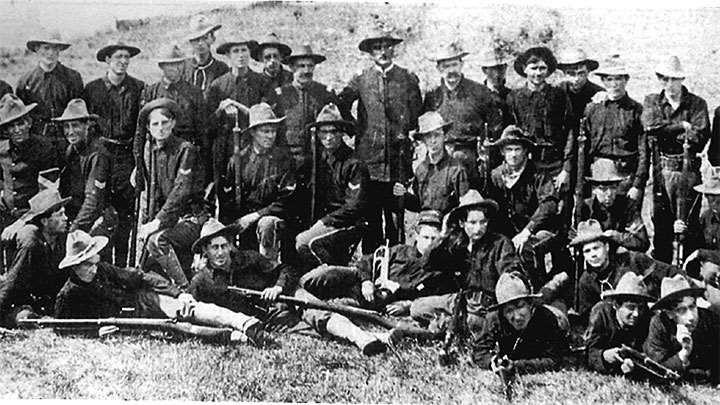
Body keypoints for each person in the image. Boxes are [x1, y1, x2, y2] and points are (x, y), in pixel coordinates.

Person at [190, 219, 398, 355]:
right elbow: (200, 313)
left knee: (319, 314)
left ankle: (360, 337)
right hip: (269, 318)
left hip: (290, 295)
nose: (220, 253)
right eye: (214, 248)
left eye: (223, 246)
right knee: (308, 332)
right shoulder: (201, 282)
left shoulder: (249, 258)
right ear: (205, 251)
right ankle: (376, 339)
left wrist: (278, 287)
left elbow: (286, 270)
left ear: (230, 246)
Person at [55, 229, 270, 345]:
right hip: (125, 322)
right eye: (87, 266)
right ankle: (236, 337)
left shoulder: (103, 269)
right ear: (74, 267)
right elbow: (63, 329)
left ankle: (243, 322)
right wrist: (95, 332)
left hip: (141, 302)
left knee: (188, 309)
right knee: (177, 329)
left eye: (94, 263)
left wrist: (178, 294)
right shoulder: (68, 295)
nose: (93, 269)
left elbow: (141, 277)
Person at [338, 31, 422, 250]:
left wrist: (405, 130)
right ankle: (370, 273)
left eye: (387, 47)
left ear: (393, 49)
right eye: (377, 48)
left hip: (398, 161)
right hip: (369, 161)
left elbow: (416, 111)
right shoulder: (361, 78)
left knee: (396, 218)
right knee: (371, 219)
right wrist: (357, 129)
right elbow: (343, 103)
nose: (383, 52)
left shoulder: (407, 77)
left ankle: (395, 268)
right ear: (370, 53)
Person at [410, 190, 523, 335]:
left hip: (486, 307)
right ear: (462, 223)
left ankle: (449, 325)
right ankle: (453, 323)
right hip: (460, 301)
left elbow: (510, 273)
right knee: (417, 307)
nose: (478, 228)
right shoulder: (457, 245)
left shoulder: (500, 243)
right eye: (473, 222)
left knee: (476, 322)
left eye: (483, 222)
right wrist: (443, 235)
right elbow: (427, 264)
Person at [641, 56, 710, 264]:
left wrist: (666, 132)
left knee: (688, 225)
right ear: (659, 80)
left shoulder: (697, 104)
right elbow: (650, 127)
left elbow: (699, 135)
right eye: (665, 79)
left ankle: (689, 275)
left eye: (674, 79)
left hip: (688, 170)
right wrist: (682, 126)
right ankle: (662, 275)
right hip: (662, 169)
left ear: (682, 79)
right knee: (662, 225)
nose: (670, 84)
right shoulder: (652, 101)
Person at [135, 98, 207, 289]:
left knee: (157, 240)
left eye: (165, 123)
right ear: (149, 128)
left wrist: (157, 222)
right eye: (155, 124)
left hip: (190, 219)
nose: (160, 128)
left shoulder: (186, 150)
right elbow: (153, 190)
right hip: (168, 220)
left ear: (173, 123)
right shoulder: (150, 151)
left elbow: (180, 191)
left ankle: (185, 289)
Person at [83, 42, 144, 266]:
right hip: (102, 154)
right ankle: (101, 264)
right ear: (107, 60)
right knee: (101, 210)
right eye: (118, 57)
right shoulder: (92, 89)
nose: (123, 61)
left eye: (127, 57)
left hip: (127, 156)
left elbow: (141, 127)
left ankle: (122, 265)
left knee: (126, 214)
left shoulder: (138, 88)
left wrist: (138, 162)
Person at [484, 125, 560, 290]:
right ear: (502, 151)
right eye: (509, 149)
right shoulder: (496, 175)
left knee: (526, 249)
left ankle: (536, 289)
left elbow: (549, 204)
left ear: (525, 150)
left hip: (538, 230)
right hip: (509, 230)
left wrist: (527, 231)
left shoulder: (538, 174)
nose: (513, 154)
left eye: (517, 149)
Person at [294, 104, 369, 270]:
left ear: (342, 133)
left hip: (348, 223)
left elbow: (354, 206)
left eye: (333, 132)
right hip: (322, 220)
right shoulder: (315, 160)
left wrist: (323, 222)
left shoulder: (353, 164)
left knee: (304, 242)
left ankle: (335, 275)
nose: (328, 137)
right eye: (323, 132)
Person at [221, 103, 295, 263]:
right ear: (253, 132)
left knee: (266, 224)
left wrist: (255, 216)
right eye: (265, 131)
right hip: (243, 222)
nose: (270, 136)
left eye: (273, 131)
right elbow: (228, 200)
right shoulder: (238, 160)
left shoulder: (283, 159)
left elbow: (286, 200)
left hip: (272, 221)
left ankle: (269, 269)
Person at [570, 219, 680, 318]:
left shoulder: (632, 260)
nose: (593, 255)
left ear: (607, 247)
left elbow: (670, 272)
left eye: (596, 248)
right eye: (587, 251)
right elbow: (589, 317)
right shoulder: (586, 281)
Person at [133, 44, 209, 187]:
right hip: (158, 153)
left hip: (185, 153)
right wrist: (139, 165)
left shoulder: (194, 93)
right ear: (162, 66)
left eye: (180, 63)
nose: (177, 68)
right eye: (171, 65)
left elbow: (202, 131)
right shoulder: (151, 92)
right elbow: (141, 130)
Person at [204, 37, 272, 189]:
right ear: (228, 55)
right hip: (224, 147)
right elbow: (207, 124)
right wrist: (221, 109)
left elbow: (264, 116)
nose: (241, 55)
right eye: (236, 51)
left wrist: (236, 105)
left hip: (252, 145)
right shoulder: (217, 85)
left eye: (244, 50)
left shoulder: (262, 83)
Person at [351, 209, 447, 315]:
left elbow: (434, 299)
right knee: (332, 274)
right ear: (416, 235)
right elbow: (366, 260)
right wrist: (366, 282)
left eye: (434, 238)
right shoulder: (400, 251)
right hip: (365, 284)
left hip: (379, 300)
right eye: (425, 237)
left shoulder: (439, 270)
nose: (429, 243)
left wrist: (407, 305)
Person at [472, 271, 570, 372]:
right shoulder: (495, 318)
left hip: (559, 316)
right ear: (502, 312)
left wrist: (517, 366)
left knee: (558, 301)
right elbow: (479, 351)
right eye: (509, 310)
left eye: (520, 306)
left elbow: (554, 360)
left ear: (530, 305)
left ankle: (561, 278)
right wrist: (492, 362)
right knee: (544, 295)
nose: (517, 317)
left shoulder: (547, 318)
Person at [422, 44, 490, 188]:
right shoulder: (433, 96)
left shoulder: (479, 92)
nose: (451, 70)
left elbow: (494, 124)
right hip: (440, 156)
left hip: (469, 157)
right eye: (446, 66)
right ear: (439, 69)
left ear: (462, 65)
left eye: (454, 65)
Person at [580, 56, 647, 202]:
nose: (614, 84)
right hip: (600, 172)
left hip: (627, 174)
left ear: (626, 80)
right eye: (609, 79)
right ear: (603, 82)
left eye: (618, 79)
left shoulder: (636, 110)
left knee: (627, 218)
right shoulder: (592, 109)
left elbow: (643, 150)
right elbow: (584, 146)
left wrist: (637, 184)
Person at [0, 189, 70, 327]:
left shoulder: (61, 237)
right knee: (26, 318)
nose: (66, 218)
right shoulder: (31, 242)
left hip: (45, 300)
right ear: (44, 220)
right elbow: (14, 282)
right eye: (60, 214)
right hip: (21, 300)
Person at [0, 94, 60, 240]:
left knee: (28, 238)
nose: (17, 130)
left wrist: (20, 222)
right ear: (6, 130)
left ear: (29, 123)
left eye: (20, 123)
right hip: (5, 215)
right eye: (11, 126)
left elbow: (47, 194)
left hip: (33, 218)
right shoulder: (2, 150)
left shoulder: (44, 149)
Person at [643, 274, 719, 384]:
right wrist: (683, 354)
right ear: (669, 313)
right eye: (682, 310)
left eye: (692, 307)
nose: (691, 317)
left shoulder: (711, 321)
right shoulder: (659, 325)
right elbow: (656, 369)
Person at [52, 99, 112, 237]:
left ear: (87, 125)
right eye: (66, 126)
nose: (70, 131)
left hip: (97, 218)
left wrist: (74, 229)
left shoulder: (97, 154)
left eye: (75, 126)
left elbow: (93, 201)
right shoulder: (71, 150)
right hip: (77, 214)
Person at [16, 34, 83, 158]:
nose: (51, 53)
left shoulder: (73, 78)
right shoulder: (26, 81)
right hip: (38, 140)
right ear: (37, 49)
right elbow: (21, 118)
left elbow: (79, 113)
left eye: (55, 48)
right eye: (46, 48)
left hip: (66, 138)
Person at [392, 111, 469, 217]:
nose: (433, 141)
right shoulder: (421, 170)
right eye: (428, 136)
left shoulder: (456, 170)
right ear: (423, 140)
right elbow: (419, 205)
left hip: (447, 226)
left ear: (444, 137)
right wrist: (404, 195)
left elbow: (464, 207)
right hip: (425, 224)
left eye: (437, 135)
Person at [274, 44, 338, 168]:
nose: (307, 71)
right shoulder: (280, 95)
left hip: (318, 158)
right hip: (288, 158)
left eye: (310, 66)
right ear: (292, 68)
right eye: (301, 66)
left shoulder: (325, 93)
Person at [584, 272, 654, 376]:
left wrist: (635, 365)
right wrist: (604, 356)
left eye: (640, 307)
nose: (636, 314)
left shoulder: (647, 317)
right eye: (630, 307)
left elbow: (651, 354)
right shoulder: (601, 313)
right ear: (616, 305)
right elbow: (589, 352)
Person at [577, 158, 649, 252]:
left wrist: (618, 236)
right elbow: (576, 242)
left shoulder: (627, 205)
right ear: (594, 189)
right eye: (603, 189)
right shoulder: (586, 208)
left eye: (613, 187)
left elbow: (643, 243)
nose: (609, 193)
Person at [477, 49, 514, 174]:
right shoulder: (478, 96)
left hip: (508, 154)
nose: (498, 73)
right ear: (484, 70)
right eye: (493, 69)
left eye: (501, 68)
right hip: (485, 155)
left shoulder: (511, 96)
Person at [556, 48, 604, 131]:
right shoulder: (556, 92)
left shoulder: (598, 93)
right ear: (564, 73)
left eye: (581, 73)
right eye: (571, 74)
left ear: (588, 72)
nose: (576, 79)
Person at [181, 15, 229, 92]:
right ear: (190, 41)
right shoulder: (182, 68)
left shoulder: (221, 69)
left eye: (205, 37)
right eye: (196, 39)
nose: (200, 43)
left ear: (213, 39)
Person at [684, 159, 720, 252]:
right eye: (707, 195)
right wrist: (683, 231)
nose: (712, 200)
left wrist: (702, 254)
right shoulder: (707, 217)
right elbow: (697, 242)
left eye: (716, 195)